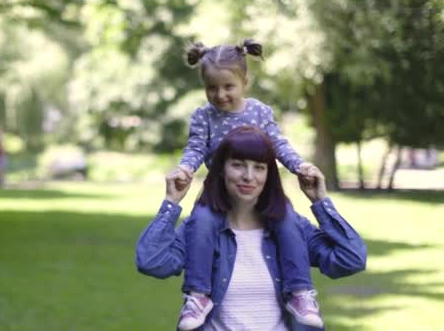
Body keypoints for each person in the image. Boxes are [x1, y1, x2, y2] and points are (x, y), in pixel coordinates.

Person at [137, 126, 367, 330]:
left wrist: (321, 202)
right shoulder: (198, 229)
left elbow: (351, 259)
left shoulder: (292, 229)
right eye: (238, 165)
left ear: (269, 175)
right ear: (221, 169)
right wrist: (171, 203)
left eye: (259, 167)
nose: (248, 176)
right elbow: (151, 262)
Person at [172, 39, 321, 329]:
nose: (220, 94)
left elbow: (278, 144)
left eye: (228, 86)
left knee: (288, 222)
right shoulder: (203, 116)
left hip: (260, 193)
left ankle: (299, 292)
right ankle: (199, 295)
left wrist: (299, 165)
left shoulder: (259, 112)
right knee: (201, 222)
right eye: (212, 88)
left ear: (245, 82)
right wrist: (186, 168)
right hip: (218, 193)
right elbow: (195, 148)